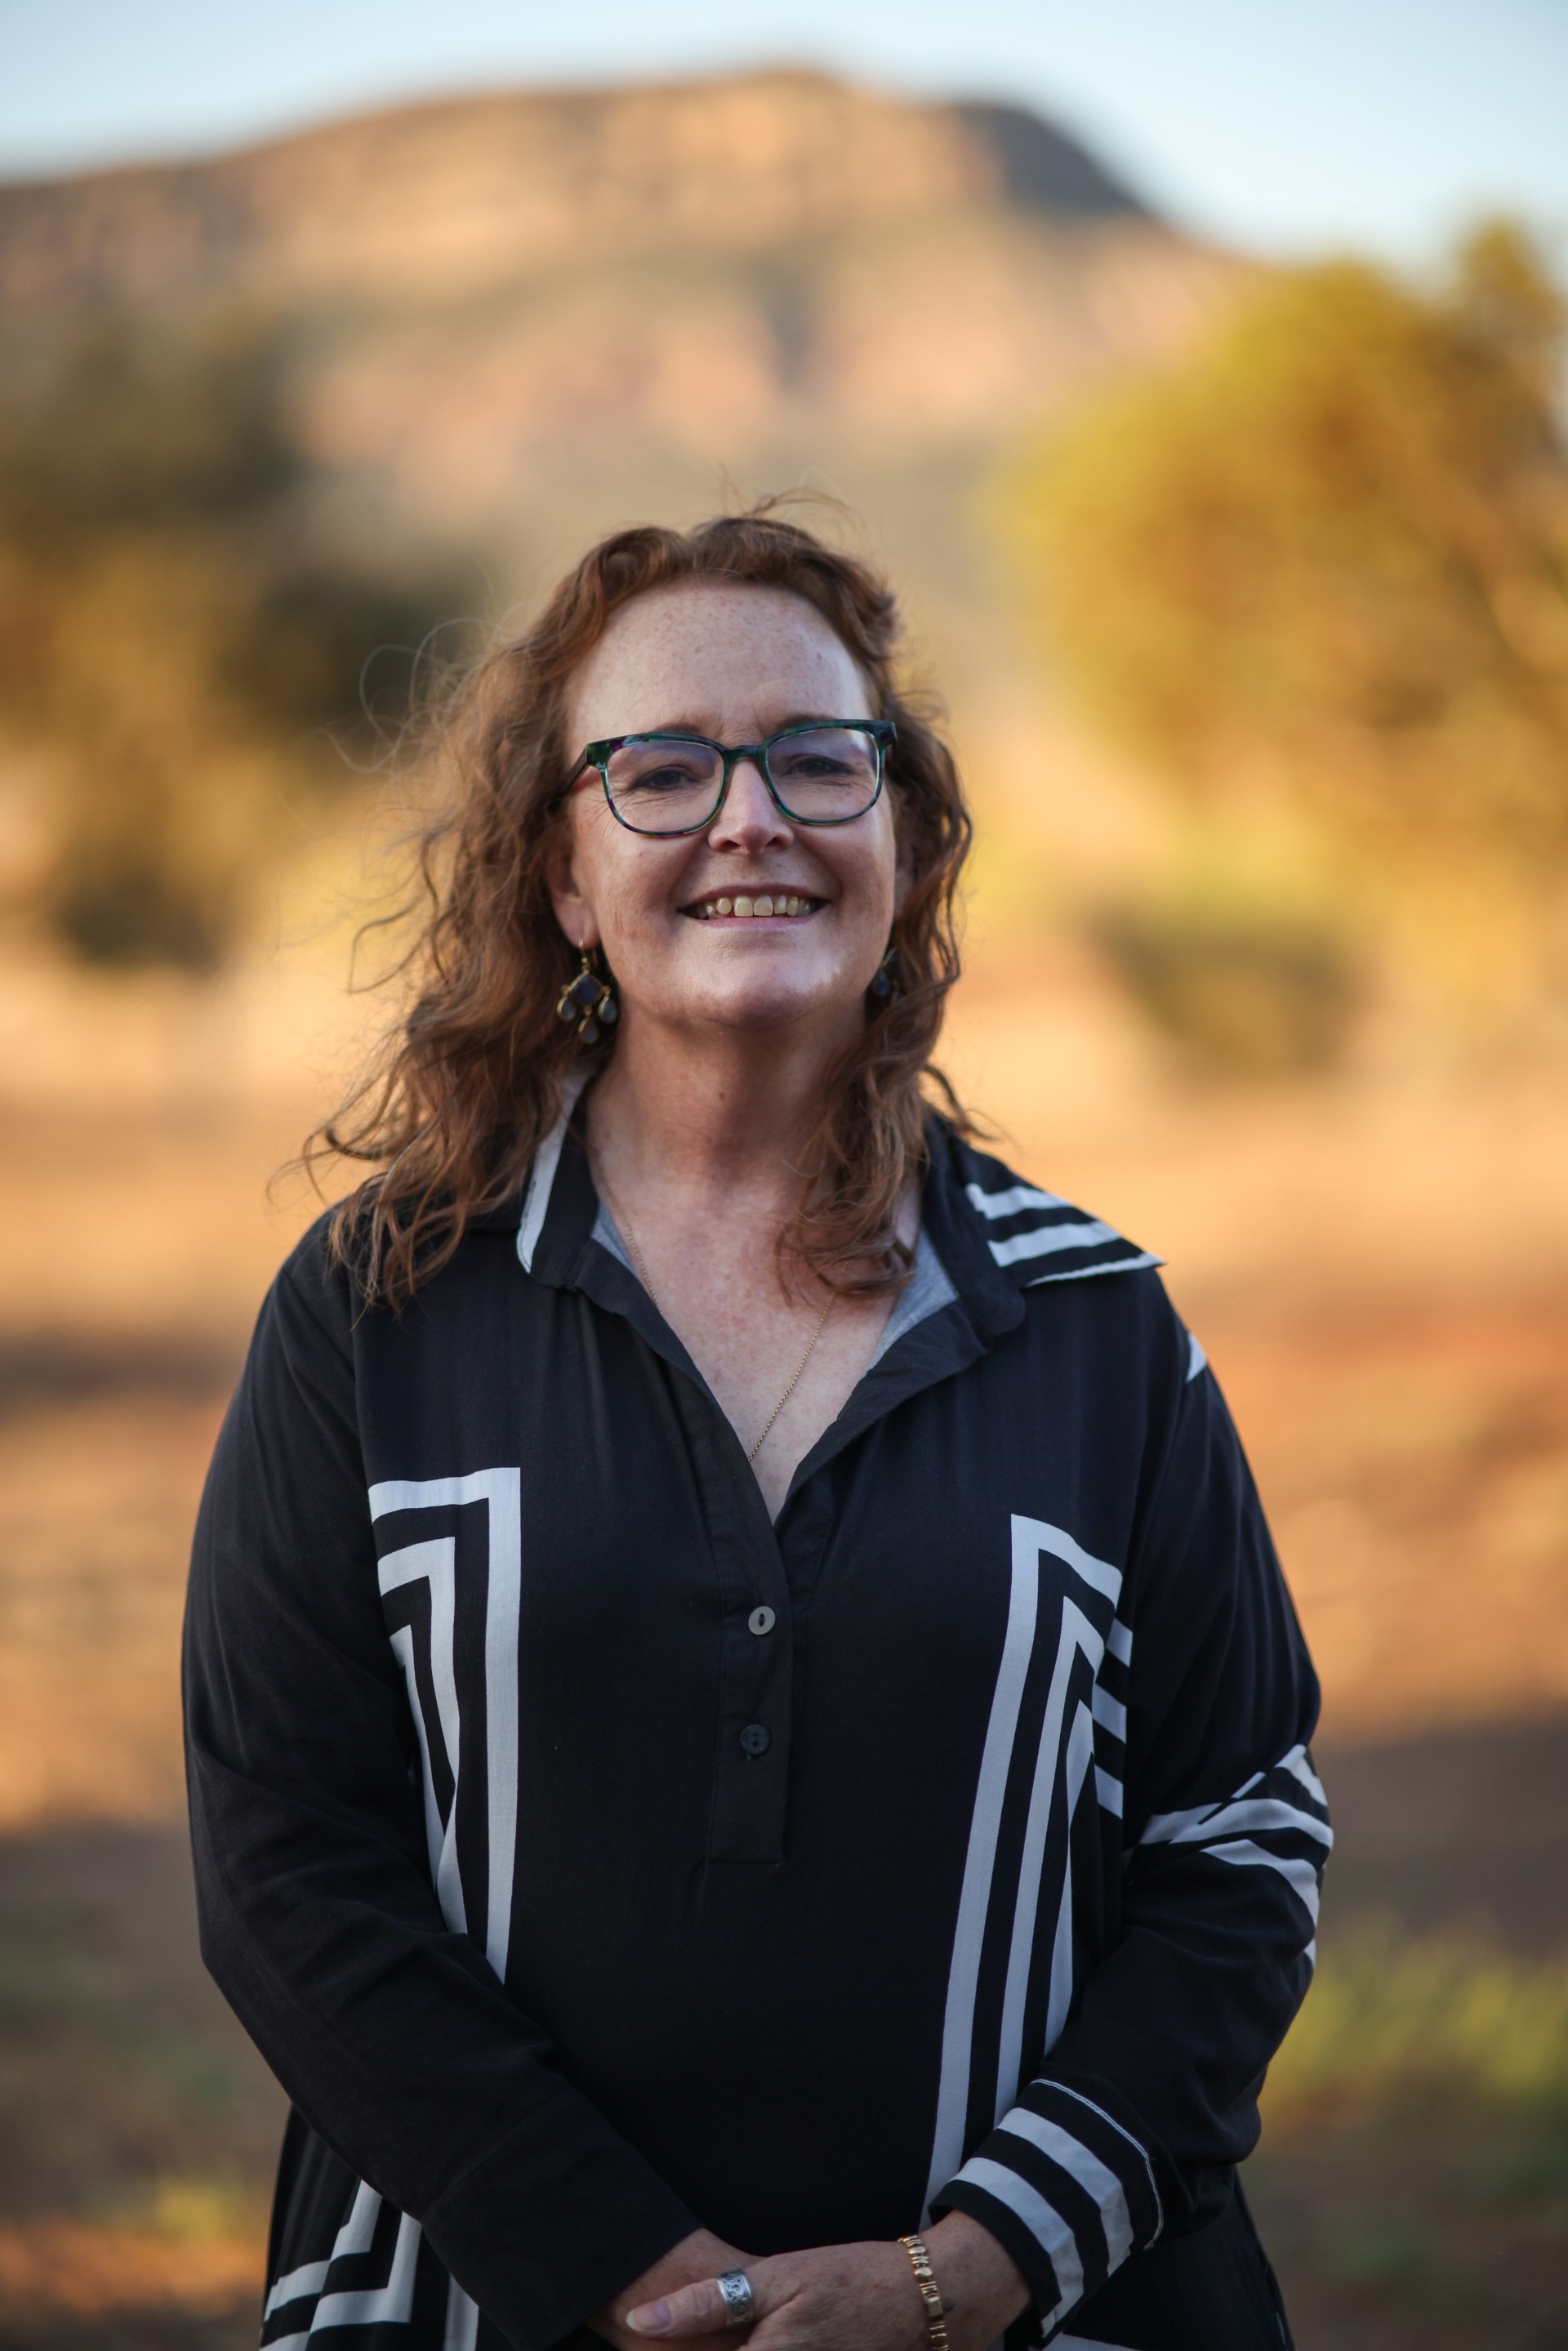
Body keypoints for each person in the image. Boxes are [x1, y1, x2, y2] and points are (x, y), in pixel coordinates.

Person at [184, 506, 1328, 2351]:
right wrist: (630, 2274)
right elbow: (283, 1852)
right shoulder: (375, 1310)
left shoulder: (1101, 1327)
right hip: (485, 2312)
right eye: (660, 768)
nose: (749, 816)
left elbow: (1242, 1833)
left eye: (818, 756)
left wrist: (960, 2272)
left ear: (901, 835)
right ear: (562, 872)